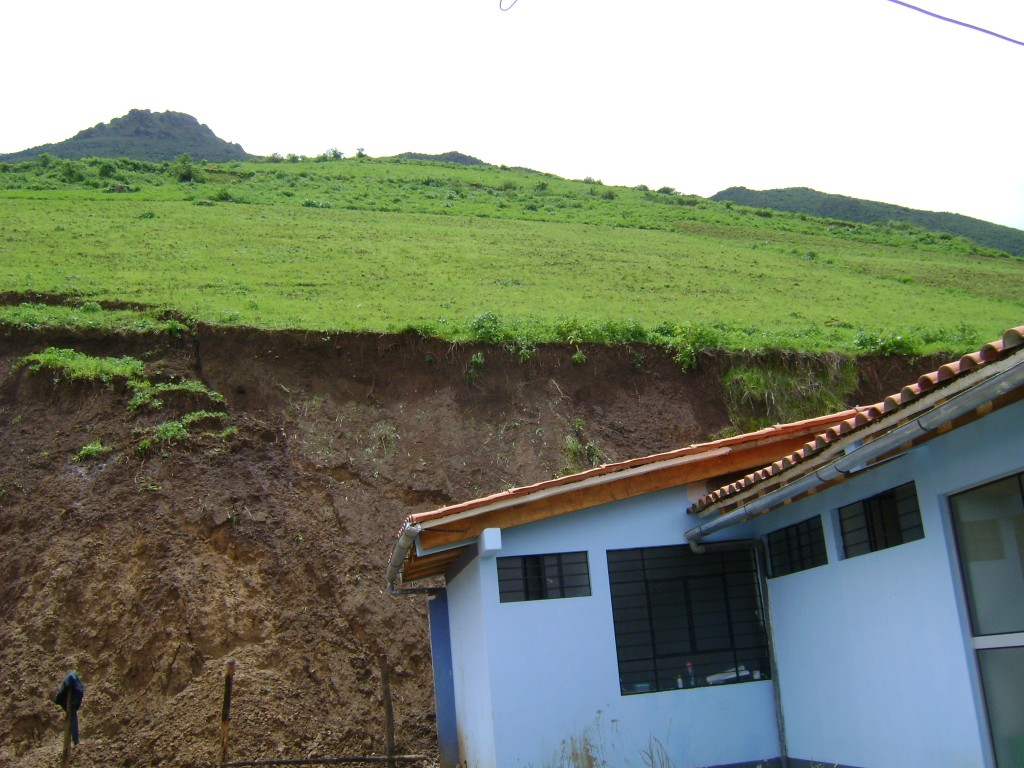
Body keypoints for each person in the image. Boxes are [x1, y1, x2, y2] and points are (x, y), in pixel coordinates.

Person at [53, 670, 85, 746]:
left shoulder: (61, 694)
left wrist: (69, 684)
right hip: (78, 692)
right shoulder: (76, 686)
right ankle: (75, 740)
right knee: (72, 715)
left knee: (72, 714)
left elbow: (71, 677)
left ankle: (75, 740)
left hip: (75, 693)